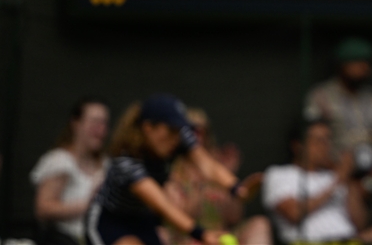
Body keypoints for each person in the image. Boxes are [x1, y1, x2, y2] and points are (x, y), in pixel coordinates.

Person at [85, 94, 261, 245]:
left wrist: (237, 189)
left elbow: (208, 165)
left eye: (178, 130)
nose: (176, 137)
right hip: (110, 221)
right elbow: (163, 205)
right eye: (170, 130)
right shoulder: (126, 161)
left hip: (143, 220)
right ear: (148, 128)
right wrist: (202, 234)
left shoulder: (178, 136)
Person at [303, 37, 372, 196]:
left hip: (369, 176)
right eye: (356, 63)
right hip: (329, 175)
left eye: (366, 63)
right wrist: (339, 173)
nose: (363, 68)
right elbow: (310, 140)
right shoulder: (321, 97)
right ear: (342, 65)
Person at [164, 108, 271, 245]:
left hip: (222, 236)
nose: (197, 136)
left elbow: (234, 217)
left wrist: (231, 175)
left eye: (203, 130)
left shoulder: (217, 168)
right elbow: (178, 218)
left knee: (260, 224)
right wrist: (198, 184)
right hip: (188, 237)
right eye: (191, 130)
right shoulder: (171, 171)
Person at [262, 119, 368, 244]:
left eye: (328, 140)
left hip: (349, 240)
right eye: (318, 141)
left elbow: (361, 224)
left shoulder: (335, 176)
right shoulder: (278, 174)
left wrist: (347, 178)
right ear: (298, 146)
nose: (325, 146)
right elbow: (294, 214)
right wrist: (337, 182)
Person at [31, 97, 110, 245]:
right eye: (94, 122)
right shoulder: (60, 161)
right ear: (76, 124)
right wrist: (90, 205)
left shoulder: (107, 164)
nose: (100, 129)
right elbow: (43, 208)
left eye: (104, 123)